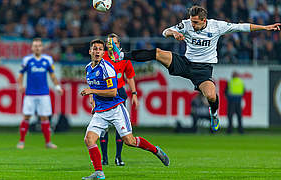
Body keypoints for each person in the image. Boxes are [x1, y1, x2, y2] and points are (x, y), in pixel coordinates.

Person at [111, 5, 281, 132]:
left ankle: (213, 114)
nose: (192, 25)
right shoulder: (186, 25)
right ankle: (123, 56)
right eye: (191, 21)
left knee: (211, 95)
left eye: (195, 22)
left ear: (204, 21)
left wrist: (265, 28)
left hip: (203, 70)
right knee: (158, 53)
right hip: (186, 62)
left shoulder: (217, 26)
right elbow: (165, 32)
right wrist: (174, 33)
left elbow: (241, 26)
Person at [81, 39, 169, 180]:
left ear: (103, 52)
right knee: (89, 139)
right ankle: (99, 172)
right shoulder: (88, 68)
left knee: (129, 141)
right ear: (90, 51)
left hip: (115, 110)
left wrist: (92, 90)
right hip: (100, 112)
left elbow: (113, 92)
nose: (97, 51)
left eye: (100, 49)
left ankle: (155, 150)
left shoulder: (107, 68)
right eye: (95, 49)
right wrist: (93, 102)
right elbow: (94, 88)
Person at [97, 33, 139, 166]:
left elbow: (130, 76)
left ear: (119, 45)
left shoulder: (124, 58)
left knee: (120, 127)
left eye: (114, 43)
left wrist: (134, 93)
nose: (112, 45)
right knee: (103, 127)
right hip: (103, 93)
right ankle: (104, 158)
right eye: (109, 43)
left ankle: (118, 157)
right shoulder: (101, 57)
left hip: (119, 92)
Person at [16, 38, 63, 149]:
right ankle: (21, 141)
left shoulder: (48, 60)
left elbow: (52, 75)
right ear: (32, 48)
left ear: (42, 48)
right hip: (30, 94)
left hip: (43, 94)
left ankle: (48, 142)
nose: (37, 48)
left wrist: (57, 87)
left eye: (39, 46)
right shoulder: (27, 60)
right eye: (35, 46)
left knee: (45, 118)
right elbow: (21, 74)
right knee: (26, 116)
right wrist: (20, 85)